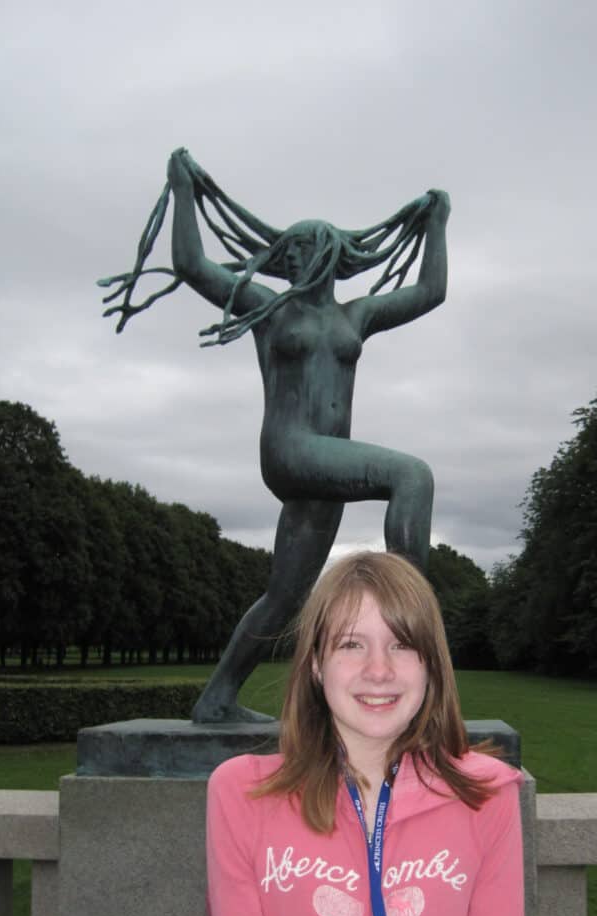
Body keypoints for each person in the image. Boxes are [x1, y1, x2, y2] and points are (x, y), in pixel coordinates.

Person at [103, 147, 450, 722]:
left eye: (302, 249)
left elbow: (429, 292)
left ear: (329, 256)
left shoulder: (354, 317)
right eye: (286, 251)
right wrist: (184, 191)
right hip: (291, 451)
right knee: (411, 475)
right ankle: (415, 626)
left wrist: (436, 224)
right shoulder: (270, 309)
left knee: (285, 596)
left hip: (324, 474)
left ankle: (216, 699)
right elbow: (193, 265)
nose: (291, 258)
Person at [206, 551, 525, 916]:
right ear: (316, 663)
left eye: (402, 645)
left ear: (431, 666)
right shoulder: (242, 795)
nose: (379, 670)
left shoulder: (487, 796)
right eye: (352, 644)